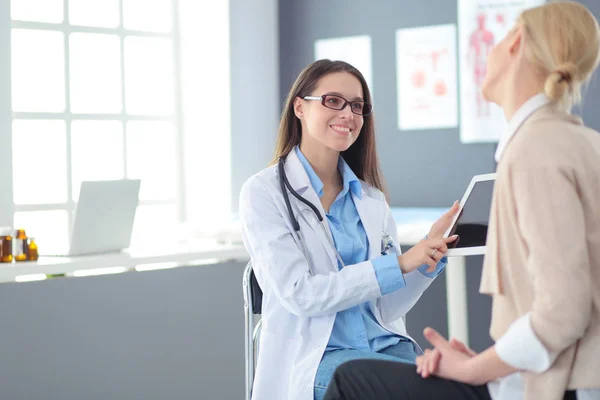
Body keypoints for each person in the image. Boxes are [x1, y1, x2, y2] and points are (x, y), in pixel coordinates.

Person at [323, 2, 600, 400]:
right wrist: (494, 363)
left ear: (516, 43)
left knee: (351, 382)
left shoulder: (535, 148)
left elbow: (563, 311)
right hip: (553, 375)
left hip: (560, 387)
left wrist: (475, 369)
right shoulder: (581, 141)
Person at [238, 59, 459, 400]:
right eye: (333, 101)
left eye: (357, 106)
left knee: (456, 385)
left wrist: (426, 258)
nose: (348, 114)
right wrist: (400, 264)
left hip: (384, 348)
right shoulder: (264, 193)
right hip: (318, 359)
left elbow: (386, 308)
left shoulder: (371, 199)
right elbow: (301, 294)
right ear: (300, 106)